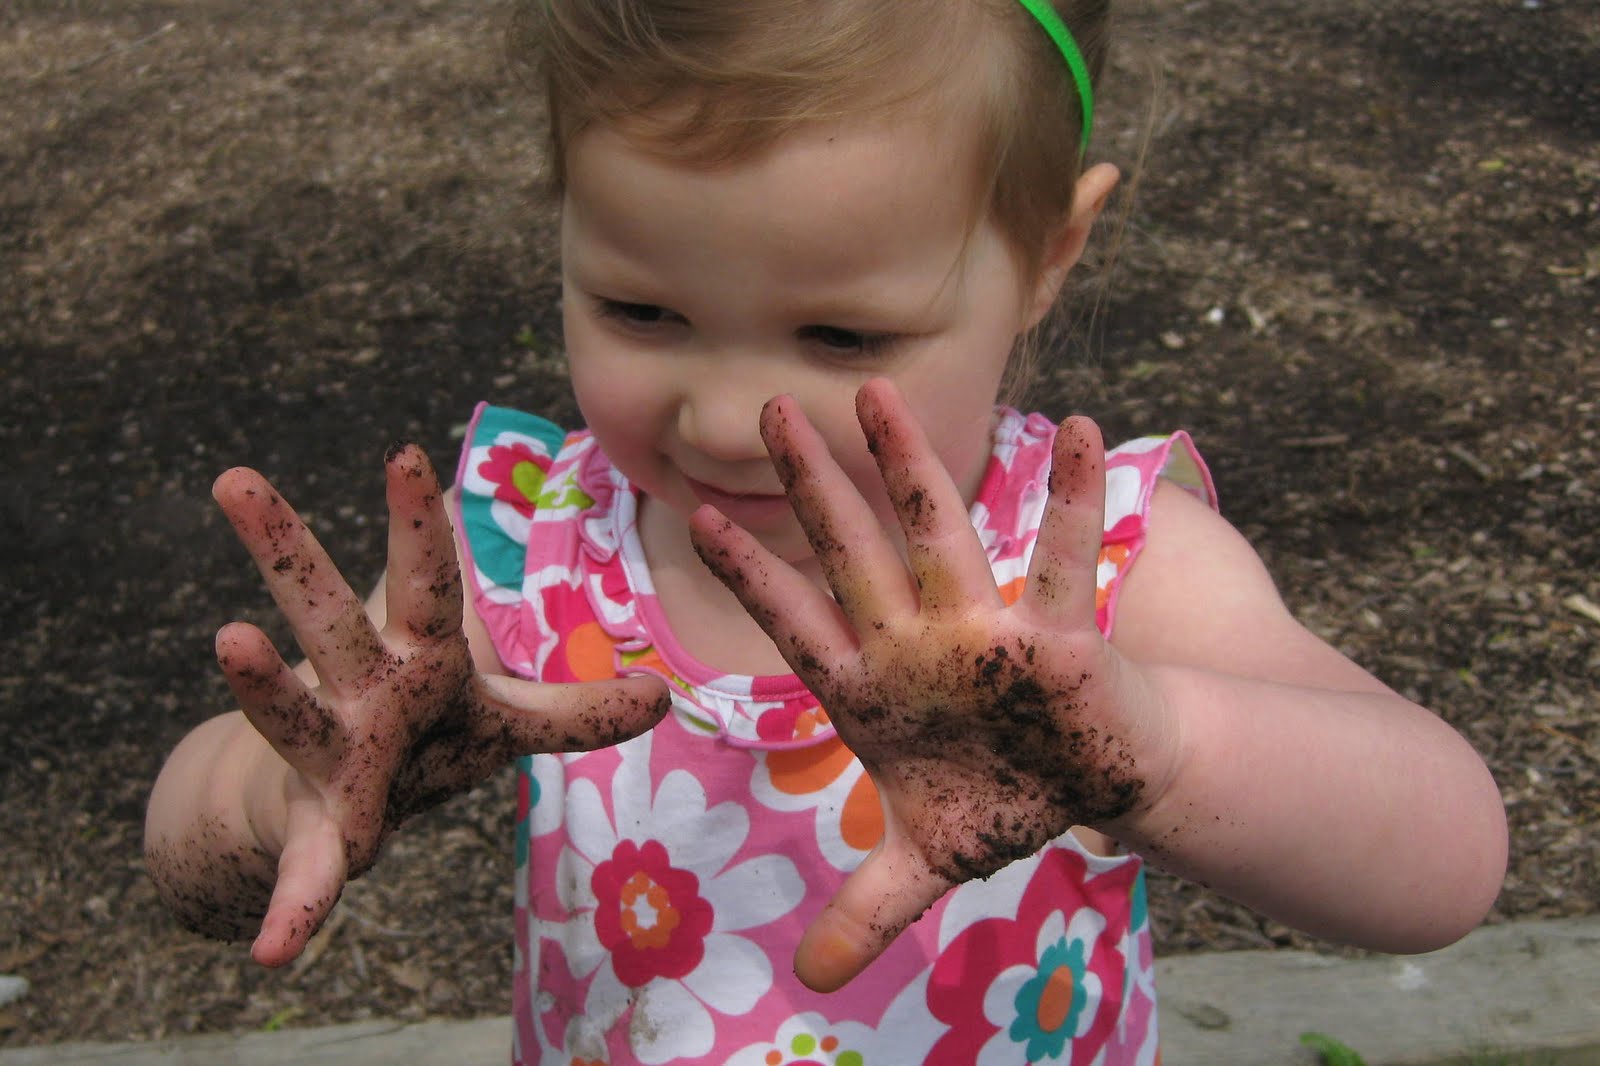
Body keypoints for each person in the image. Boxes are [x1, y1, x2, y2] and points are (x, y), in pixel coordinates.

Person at [145, 1, 1509, 1062]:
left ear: (1048, 252)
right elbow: (185, 865)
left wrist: (1159, 746)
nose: (733, 417)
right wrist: (296, 789)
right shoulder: (526, 544)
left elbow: (1447, 861)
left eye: (842, 333)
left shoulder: (1088, 582)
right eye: (641, 309)